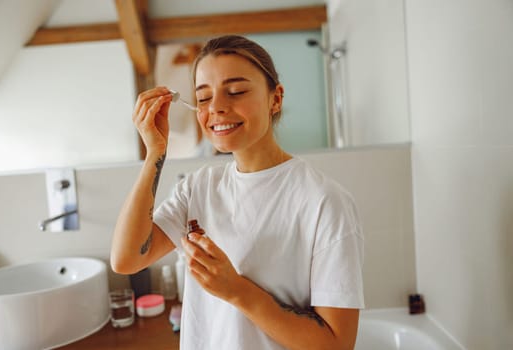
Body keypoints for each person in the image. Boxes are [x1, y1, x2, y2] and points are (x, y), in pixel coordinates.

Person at [111, 35, 364, 350]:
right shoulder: (197, 188)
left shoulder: (324, 201)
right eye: (203, 98)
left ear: (276, 99)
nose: (216, 107)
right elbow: (127, 259)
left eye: (236, 91)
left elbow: (336, 345)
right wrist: (154, 154)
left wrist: (236, 291)